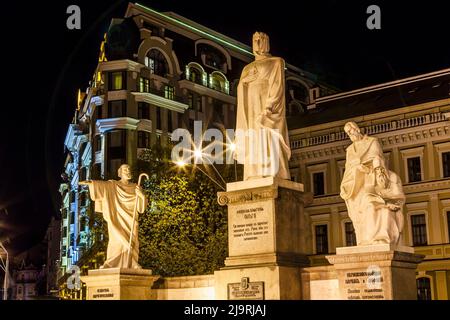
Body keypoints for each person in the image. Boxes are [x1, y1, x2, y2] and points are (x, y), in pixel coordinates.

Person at [235, 31, 291, 180]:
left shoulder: (276, 62)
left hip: (267, 109)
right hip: (251, 108)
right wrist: (244, 83)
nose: (257, 43)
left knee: (268, 137)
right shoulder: (246, 69)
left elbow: (277, 86)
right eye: (254, 40)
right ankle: (254, 172)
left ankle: (271, 170)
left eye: (260, 39)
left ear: (267, 42)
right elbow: (240, 88)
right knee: (253, 138)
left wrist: (268, 108)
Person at [340, 122, 405, 246]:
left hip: (372, 178)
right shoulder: (349, 150)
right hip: (357, 183)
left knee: (370, 204)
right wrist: (356, 170)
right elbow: (348, 168)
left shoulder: (372, 142)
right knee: (365, 204)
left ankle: (379, 237)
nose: (350, 134)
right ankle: (367, 238)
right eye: (347, 132)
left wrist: (369, 168)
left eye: (351, 130)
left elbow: (378, 158)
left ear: (357, 129)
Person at [79, 164, 147, 268]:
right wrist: (91, 183)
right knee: (116, 240)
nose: (128, 171)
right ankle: (112, 263)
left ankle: (132, 262)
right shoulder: (113, 185)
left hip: (131, 219)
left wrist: (142, 196)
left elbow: (140, 209)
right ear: (120, 173)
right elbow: (102, 186)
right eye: (125, 169)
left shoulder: (136, 187)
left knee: (133, 240)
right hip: (116, 217)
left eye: (129, 169)